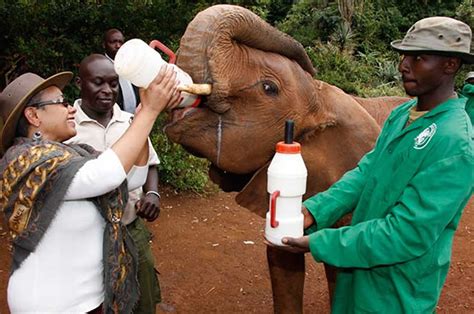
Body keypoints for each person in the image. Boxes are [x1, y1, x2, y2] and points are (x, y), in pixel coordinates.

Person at [270, 16, 473, 312]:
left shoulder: (456, 142)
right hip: (359, 268)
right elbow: (366, 173)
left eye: (419, 57)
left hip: (397, 288)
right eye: (404, 55)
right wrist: (314, 211)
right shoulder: (403, 115)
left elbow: (406, 234)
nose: (404, 65)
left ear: (451, 65)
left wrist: (320, 243)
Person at [0, 65, 180, 312]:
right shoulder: (27, 162)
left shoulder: (71, 156)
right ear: (33, 116)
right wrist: (149, 111)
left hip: (89, 303)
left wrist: (140, 117)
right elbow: (105, 175)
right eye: (62, 102)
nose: (71, 107)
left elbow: (132, 178)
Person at [66, 53, 174, 313]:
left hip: (130, 226)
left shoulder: (131, 121)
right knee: (93, 301)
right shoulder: (67, 127)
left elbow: (149, 164)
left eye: (113, 84)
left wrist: (153, 194)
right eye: (98, 83)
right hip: (87, 237)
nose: (107, 90)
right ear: (80, 83)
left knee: (143, 297)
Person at [103, 28, 140, 113]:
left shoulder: (130, 65)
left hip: (135, 119)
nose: (118, 46)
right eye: (113, 42)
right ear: (104, 45)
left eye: (121, 42)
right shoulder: (100, 68)